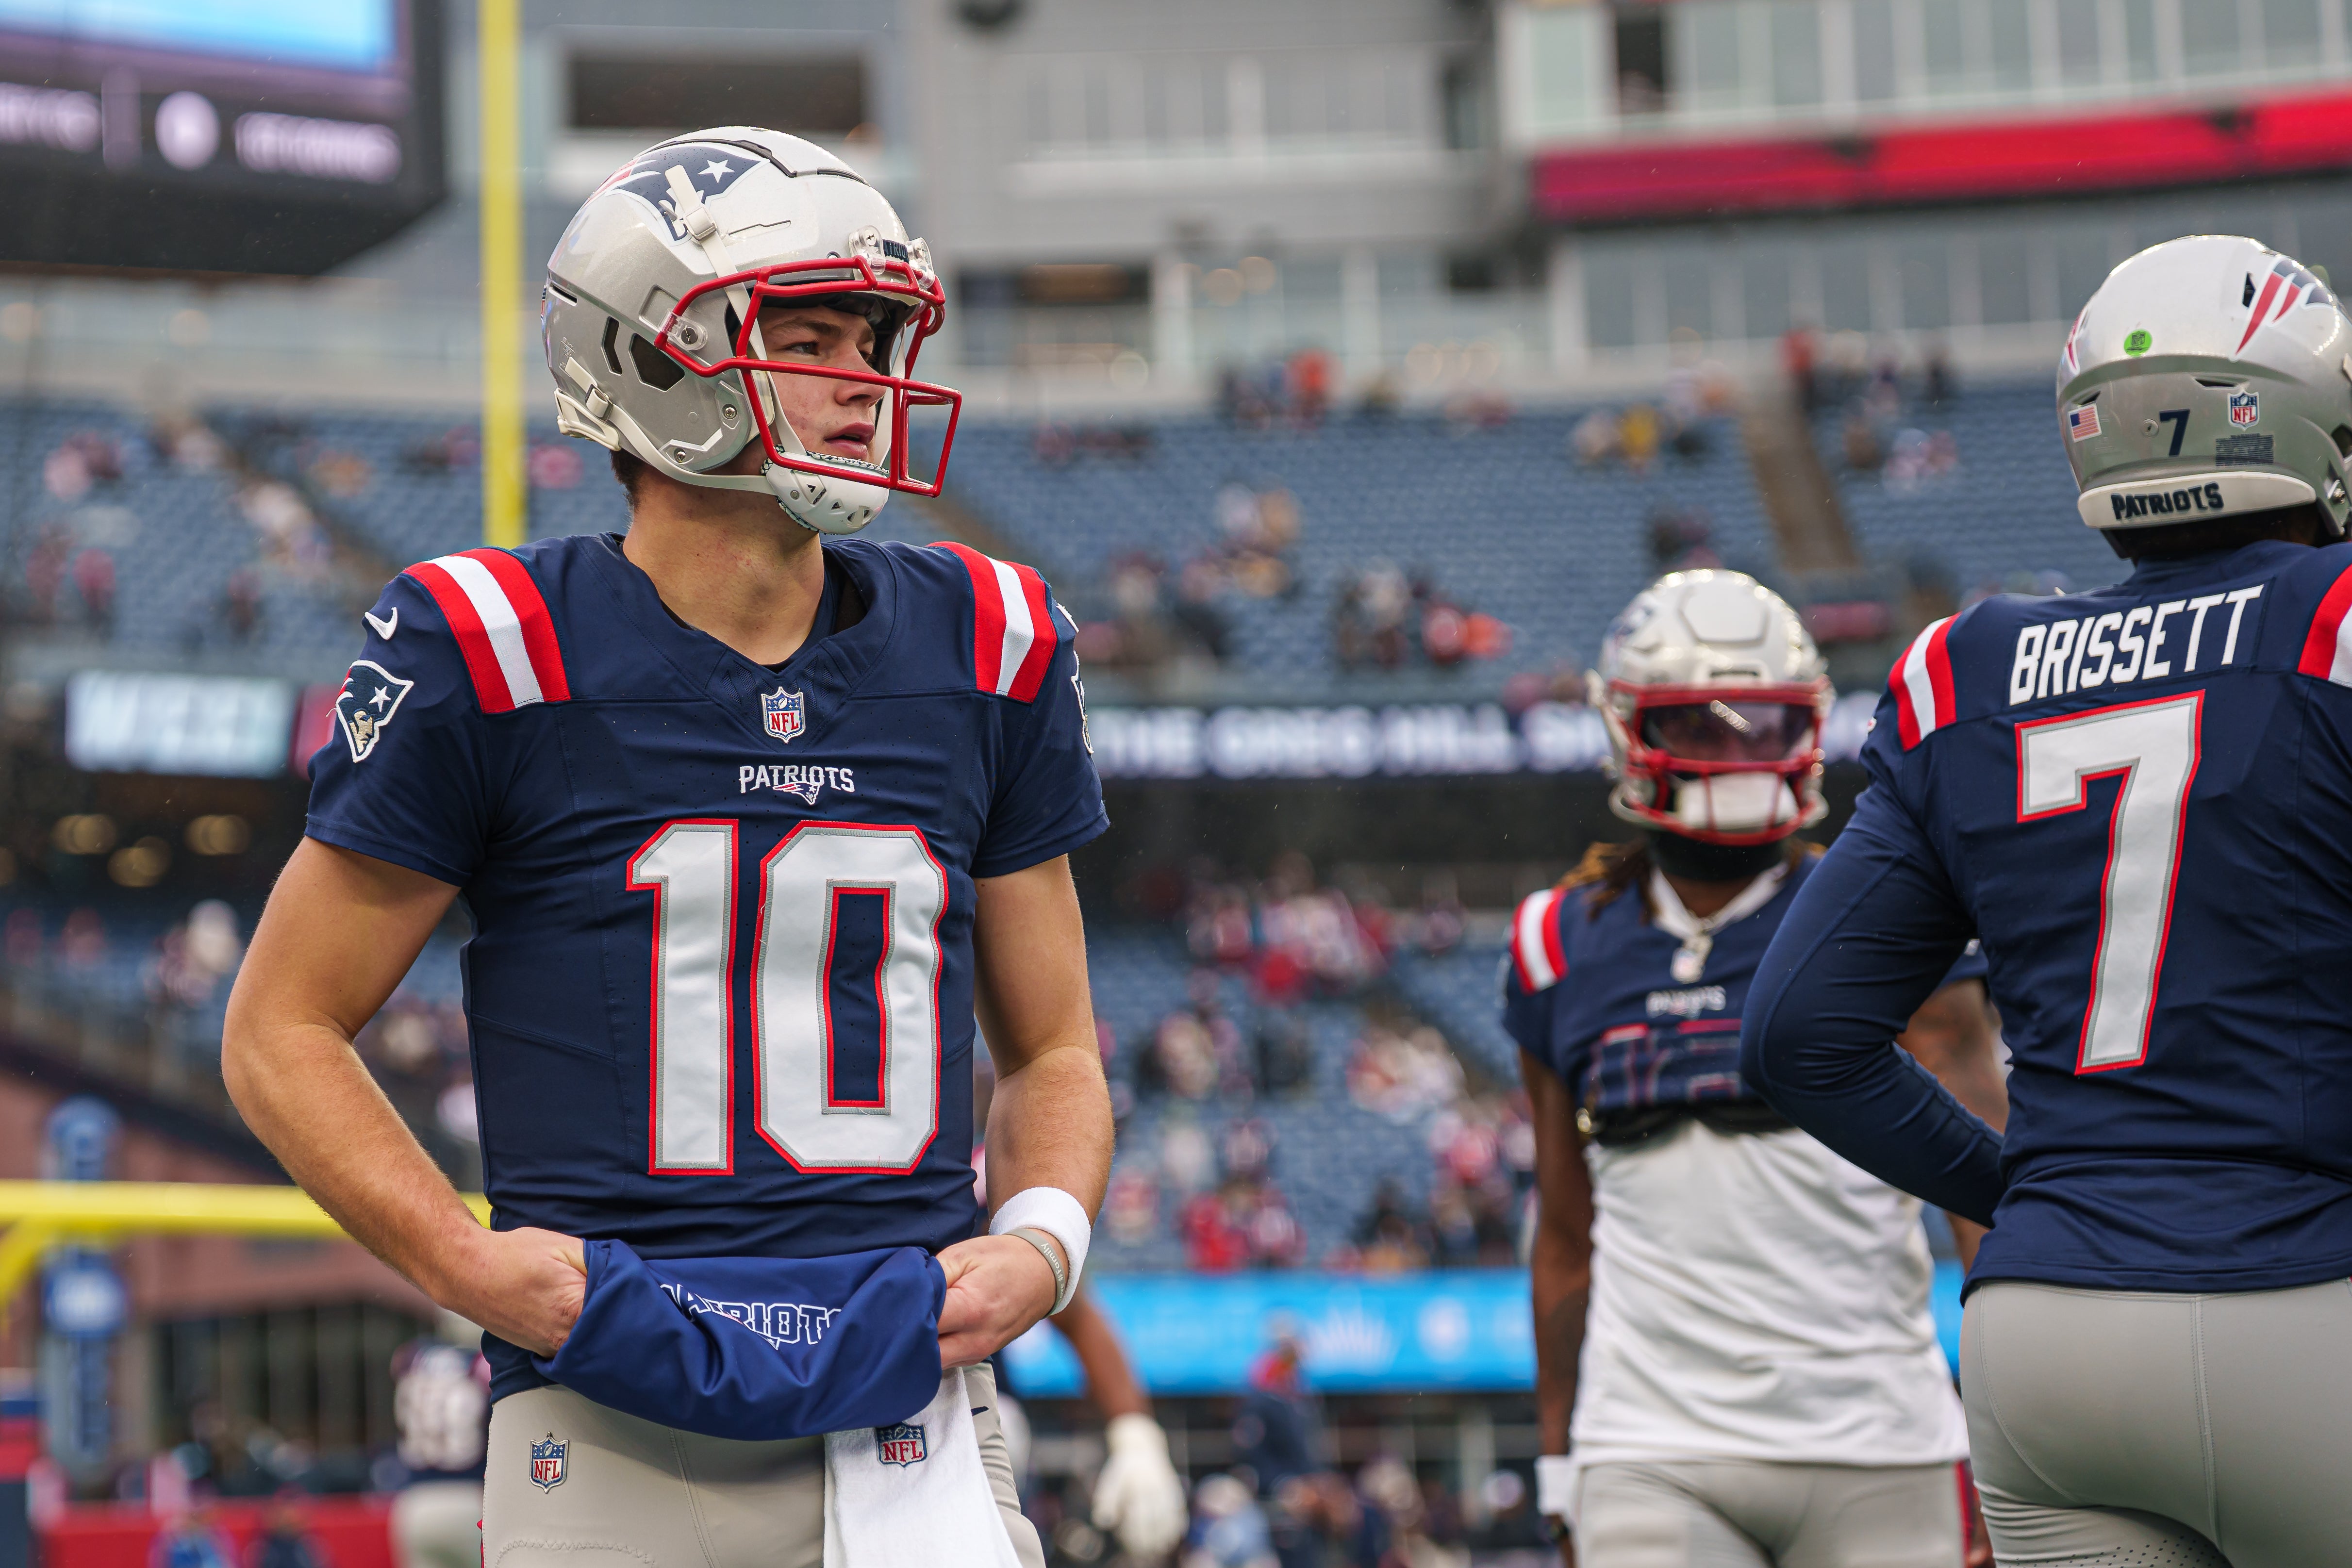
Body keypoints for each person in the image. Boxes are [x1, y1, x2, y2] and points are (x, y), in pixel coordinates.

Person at [222, 127, 1112, 1568]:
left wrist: (1043, 1238)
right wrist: (462, 1263)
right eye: (805, 336)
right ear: (653, 355)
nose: (861, 381)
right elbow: (279, 1026)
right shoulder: (496, 648)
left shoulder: (987, 645)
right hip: (615, 1406)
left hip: (912, 1407)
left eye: (872, 339)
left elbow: (1057, 1048)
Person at [1740, 233, 2352, 1568]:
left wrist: (2023, 1188)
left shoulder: (1965, 668)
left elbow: (1795, 1032)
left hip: (2048, 1339)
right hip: (2307, 1295)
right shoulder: (2332, 620)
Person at [1508, 571, 2006, 1568]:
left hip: (1879, 1438)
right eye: (1705, 729)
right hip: (1648, 1442)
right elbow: (1565, 1238)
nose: (1737, 756)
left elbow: (1990, 1205)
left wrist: (2012, 1452)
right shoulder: (1557, 939)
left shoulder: (1891, 915)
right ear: (1630, 730)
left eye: (1762, 727)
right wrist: (1559, 1459)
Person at [387, 1319, 490, 1568]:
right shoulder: (483, 1363)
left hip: (415, 1503)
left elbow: (397, 1364)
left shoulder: (414, 1357)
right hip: (470, 1501)